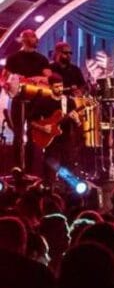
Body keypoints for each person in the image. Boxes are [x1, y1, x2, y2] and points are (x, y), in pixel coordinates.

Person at [2, 29, 52, 169]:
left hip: (36, 100)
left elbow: (50, 77)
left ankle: (30, 168)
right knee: (18, 134)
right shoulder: (13, 58)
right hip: (18, 99)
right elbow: (4, 78)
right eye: (33, 36)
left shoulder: (41, 59)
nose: (36, 39)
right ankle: (18, 167)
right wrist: (6, 84)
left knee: (32, 134)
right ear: (24, 39)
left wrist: (40, 78)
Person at [26, 73, 80, 182]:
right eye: (56, 87)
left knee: (67, 169)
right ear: (50, 87)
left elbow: (77, 125)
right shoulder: (43, 102)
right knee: (50, 170)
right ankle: (49, 187)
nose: (60, 89)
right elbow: (31, 121)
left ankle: (66, 188)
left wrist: (77, 120)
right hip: (50, 142)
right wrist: (43, 128)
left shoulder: (69, 102)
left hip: (66, 140)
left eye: (61, 86)